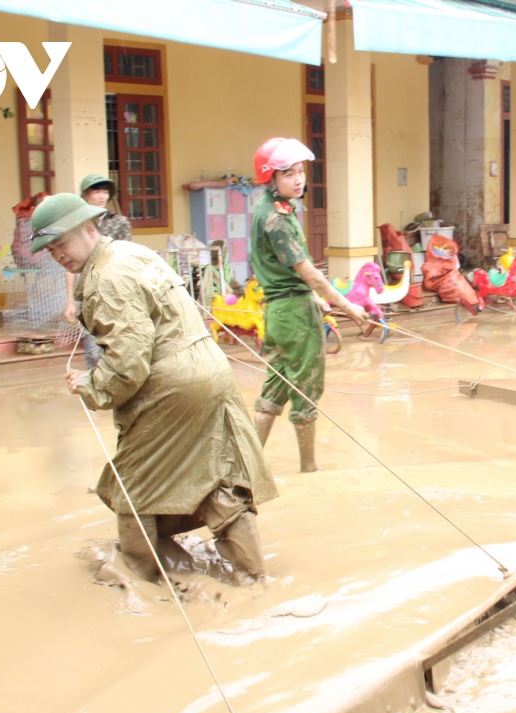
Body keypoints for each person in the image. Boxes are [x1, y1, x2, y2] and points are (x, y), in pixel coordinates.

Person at [33, 193, 277, 586]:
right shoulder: (133, 252)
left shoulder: (105, 278)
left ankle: (145, 581)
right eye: (50, 248)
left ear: (89, 228)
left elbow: (128, 365)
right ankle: (256, 578)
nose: (57, 254)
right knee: (217, 472)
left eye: (62, 242)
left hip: (172, 384)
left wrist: (89, 385)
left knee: (133, 484)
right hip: (211, 368)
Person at [249, 137, 371, 472]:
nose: (298, 179)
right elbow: (309, 273)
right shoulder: (276, 219)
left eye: (300, 171)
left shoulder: (268, 211)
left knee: (275, 386)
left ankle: (249, 466)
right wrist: (349, 306)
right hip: (295, 314)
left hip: (278, 311)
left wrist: (316, 298)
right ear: (271, 178)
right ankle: (310, 472)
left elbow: (284, 271)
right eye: (288, 173)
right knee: (306, 388)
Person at [63, 174, 132, 368]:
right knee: (93, 353)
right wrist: (70, 302)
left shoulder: (119, 223)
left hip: (115, 293)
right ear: (85, 195)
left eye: (105, 192)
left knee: (118, 347)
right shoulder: (76, 227)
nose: (102, 196)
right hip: (89, 295)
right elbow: (71, 267)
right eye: (97, 191)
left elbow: (126, 257)